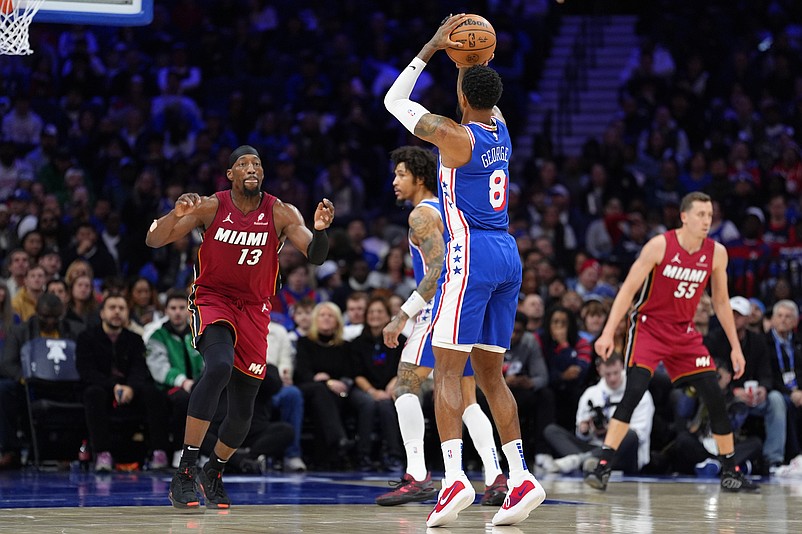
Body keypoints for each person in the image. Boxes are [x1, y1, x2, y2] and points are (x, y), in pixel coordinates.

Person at [383, 15, 545, 527]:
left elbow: (394, 101)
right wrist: (474, 61)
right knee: (492, 374)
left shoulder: (453, 137)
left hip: (471, 255)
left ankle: (454, 477)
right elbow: (477, 92)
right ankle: (519, 476)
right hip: (507, 254)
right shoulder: (501, 129)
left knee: (448, 371)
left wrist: (432, 47)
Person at [145, 144, 334, 510]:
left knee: (244, 405)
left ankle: (213, 470)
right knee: (217, 367)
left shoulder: (281, 212)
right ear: (230, 174)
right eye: (243, 163)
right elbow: (154, 239)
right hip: (213, 298)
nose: (252, 168)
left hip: (255, 308)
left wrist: (322, 230)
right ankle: (184, 471)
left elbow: (317, 254)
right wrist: (175, 213)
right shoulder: (210, 206)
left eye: (257, 163)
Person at [588, 191, 759, 492]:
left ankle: (731, 470)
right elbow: (627, 290)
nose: (707, 221)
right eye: (701, 215)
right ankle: (603, 466)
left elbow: (720, 301)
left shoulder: (717, 253)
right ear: (684, 216)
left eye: (710, 215)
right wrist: (607, 331)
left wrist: (735, 346)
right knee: (635, 391)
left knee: (715, 395)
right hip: (649, 328)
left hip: (684, 331)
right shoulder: (659, 245)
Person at [378, 145, 508, 508]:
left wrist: (402, 315)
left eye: (400, 174)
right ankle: (496, 477)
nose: (394, 181)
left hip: (438, 309)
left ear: (419, 177)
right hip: (468, 307)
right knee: (466, 397)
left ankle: (418, 474)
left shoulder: (421, 216)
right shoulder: (451, 211)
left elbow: (436, 272)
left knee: (405, 382)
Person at [76, 295, 170, 472]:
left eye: (121, 308)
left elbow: (139, 369)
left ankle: (159, 450)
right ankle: (102, 453)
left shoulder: (135, 339)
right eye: (112, 307)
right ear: (102, 313)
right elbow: (87, 371)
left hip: (128, 389)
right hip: (102, 388)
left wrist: (131, 388)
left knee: (154, 393)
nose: (117, 312)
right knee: (93, 393)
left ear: (128, 313)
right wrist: (113, 386)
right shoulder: (87, 337)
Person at [705, 296, 787, 472]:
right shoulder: (714, 339)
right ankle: (717, 456)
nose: (734, 318)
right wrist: (733, 392)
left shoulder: (758, 341)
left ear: (748, 318)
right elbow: (711, 377)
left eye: (739, 315)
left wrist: (763, 389)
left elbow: (766, 373)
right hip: (727, 397)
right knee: (715, 397)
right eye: (731, 314)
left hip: (753, 397)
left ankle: (774, 461)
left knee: (776, 400)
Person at [544, 353, 653, 475]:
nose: (612, 378)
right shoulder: (591, 394)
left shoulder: (639, 393)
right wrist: (585, 430)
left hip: (623, 454)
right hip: (596, 446)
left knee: (630, 435)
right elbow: (581, 435)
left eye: (616, 373)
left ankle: (581, 460)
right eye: (608, 374)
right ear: (599, 371)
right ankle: (590, 461)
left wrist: (611, 430)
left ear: (622, 367)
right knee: (551, 430)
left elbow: (640, 435)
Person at [145, 290, 205, 468]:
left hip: (196, 385)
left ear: (188, 310)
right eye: (173, 308)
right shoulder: (157, 336)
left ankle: (207, 452)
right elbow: (159, 368)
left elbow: (206, 363)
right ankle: (180, 450)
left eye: (181, 307)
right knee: (182, 400)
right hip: (167, 387)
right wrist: (182, 382)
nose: (177, 312)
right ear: (166, 311)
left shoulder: (198, 335)